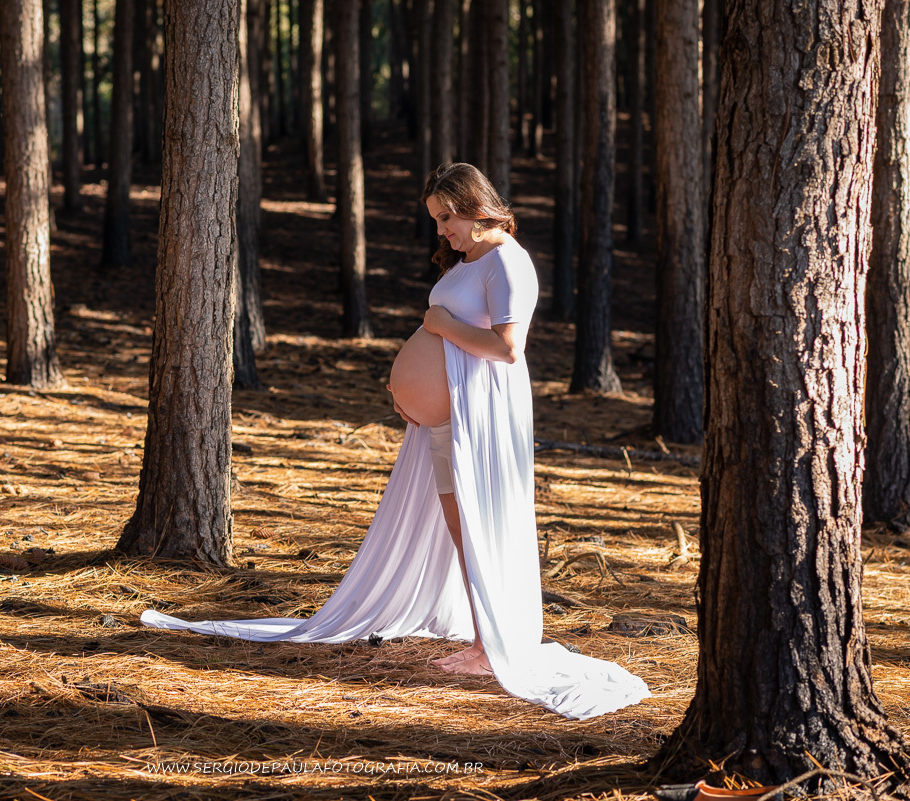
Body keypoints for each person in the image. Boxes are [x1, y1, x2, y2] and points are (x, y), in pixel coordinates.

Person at [140, 163, 650, 720]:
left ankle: (491, 646)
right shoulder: (472, 260)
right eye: (436, 220)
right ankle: (483, 635)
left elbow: (507, 348)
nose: (441, 232)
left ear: (475, 207)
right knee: (460, 529)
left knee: (478, 526)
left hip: (478, 417)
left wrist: (437, 326)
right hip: (444, 417)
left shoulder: (507, 260)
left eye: (446, 218)